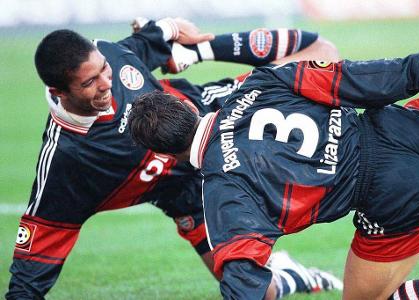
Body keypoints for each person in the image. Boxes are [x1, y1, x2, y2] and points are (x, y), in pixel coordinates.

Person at [6, 17, 342, 299]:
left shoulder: (112, 54)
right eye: (90, 82)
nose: (106, 82)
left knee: (322, 54)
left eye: (105, 69)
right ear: (58, 93)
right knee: (256, 292)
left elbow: (161, 34)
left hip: (213, 114)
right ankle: (290, 275)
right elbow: (28, 276)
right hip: (189, 197)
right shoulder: (66, 163)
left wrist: (190, 46)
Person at [128, 54, 419, 300]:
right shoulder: (260, 82)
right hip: (404, 126)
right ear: (188, 106)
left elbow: (243, 279)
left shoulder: (222, 191)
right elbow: (350, 76)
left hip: (394, 195)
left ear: (164, 154)